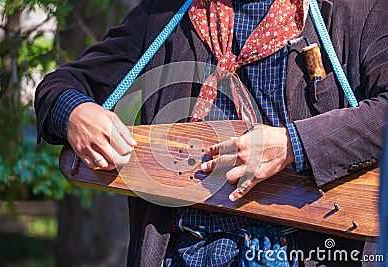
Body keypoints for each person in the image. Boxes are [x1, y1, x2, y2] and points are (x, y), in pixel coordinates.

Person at [35, 0, 388, 266]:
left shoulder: (357, 10)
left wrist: (291, 145)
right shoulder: (165, 15)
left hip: (305, 253)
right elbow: (60, 87)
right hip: (184, 251)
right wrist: (74, 112)